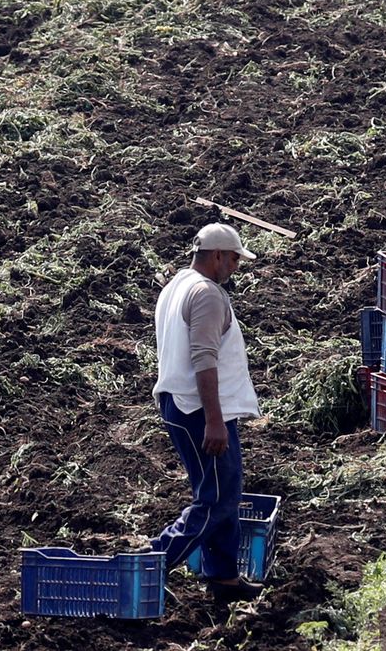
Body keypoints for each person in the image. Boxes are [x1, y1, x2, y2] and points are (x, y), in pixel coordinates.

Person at [150, 223, 263, 603]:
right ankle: (152, 561)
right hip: (199, 409)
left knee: (226, 489)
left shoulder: (176, 285)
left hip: (179, 402)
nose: (235, 266)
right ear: (216, 255)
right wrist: (214, 420)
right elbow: (204, 358)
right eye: (233, 258)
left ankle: (224, 577)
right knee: (216, 497)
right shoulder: (207, 294)